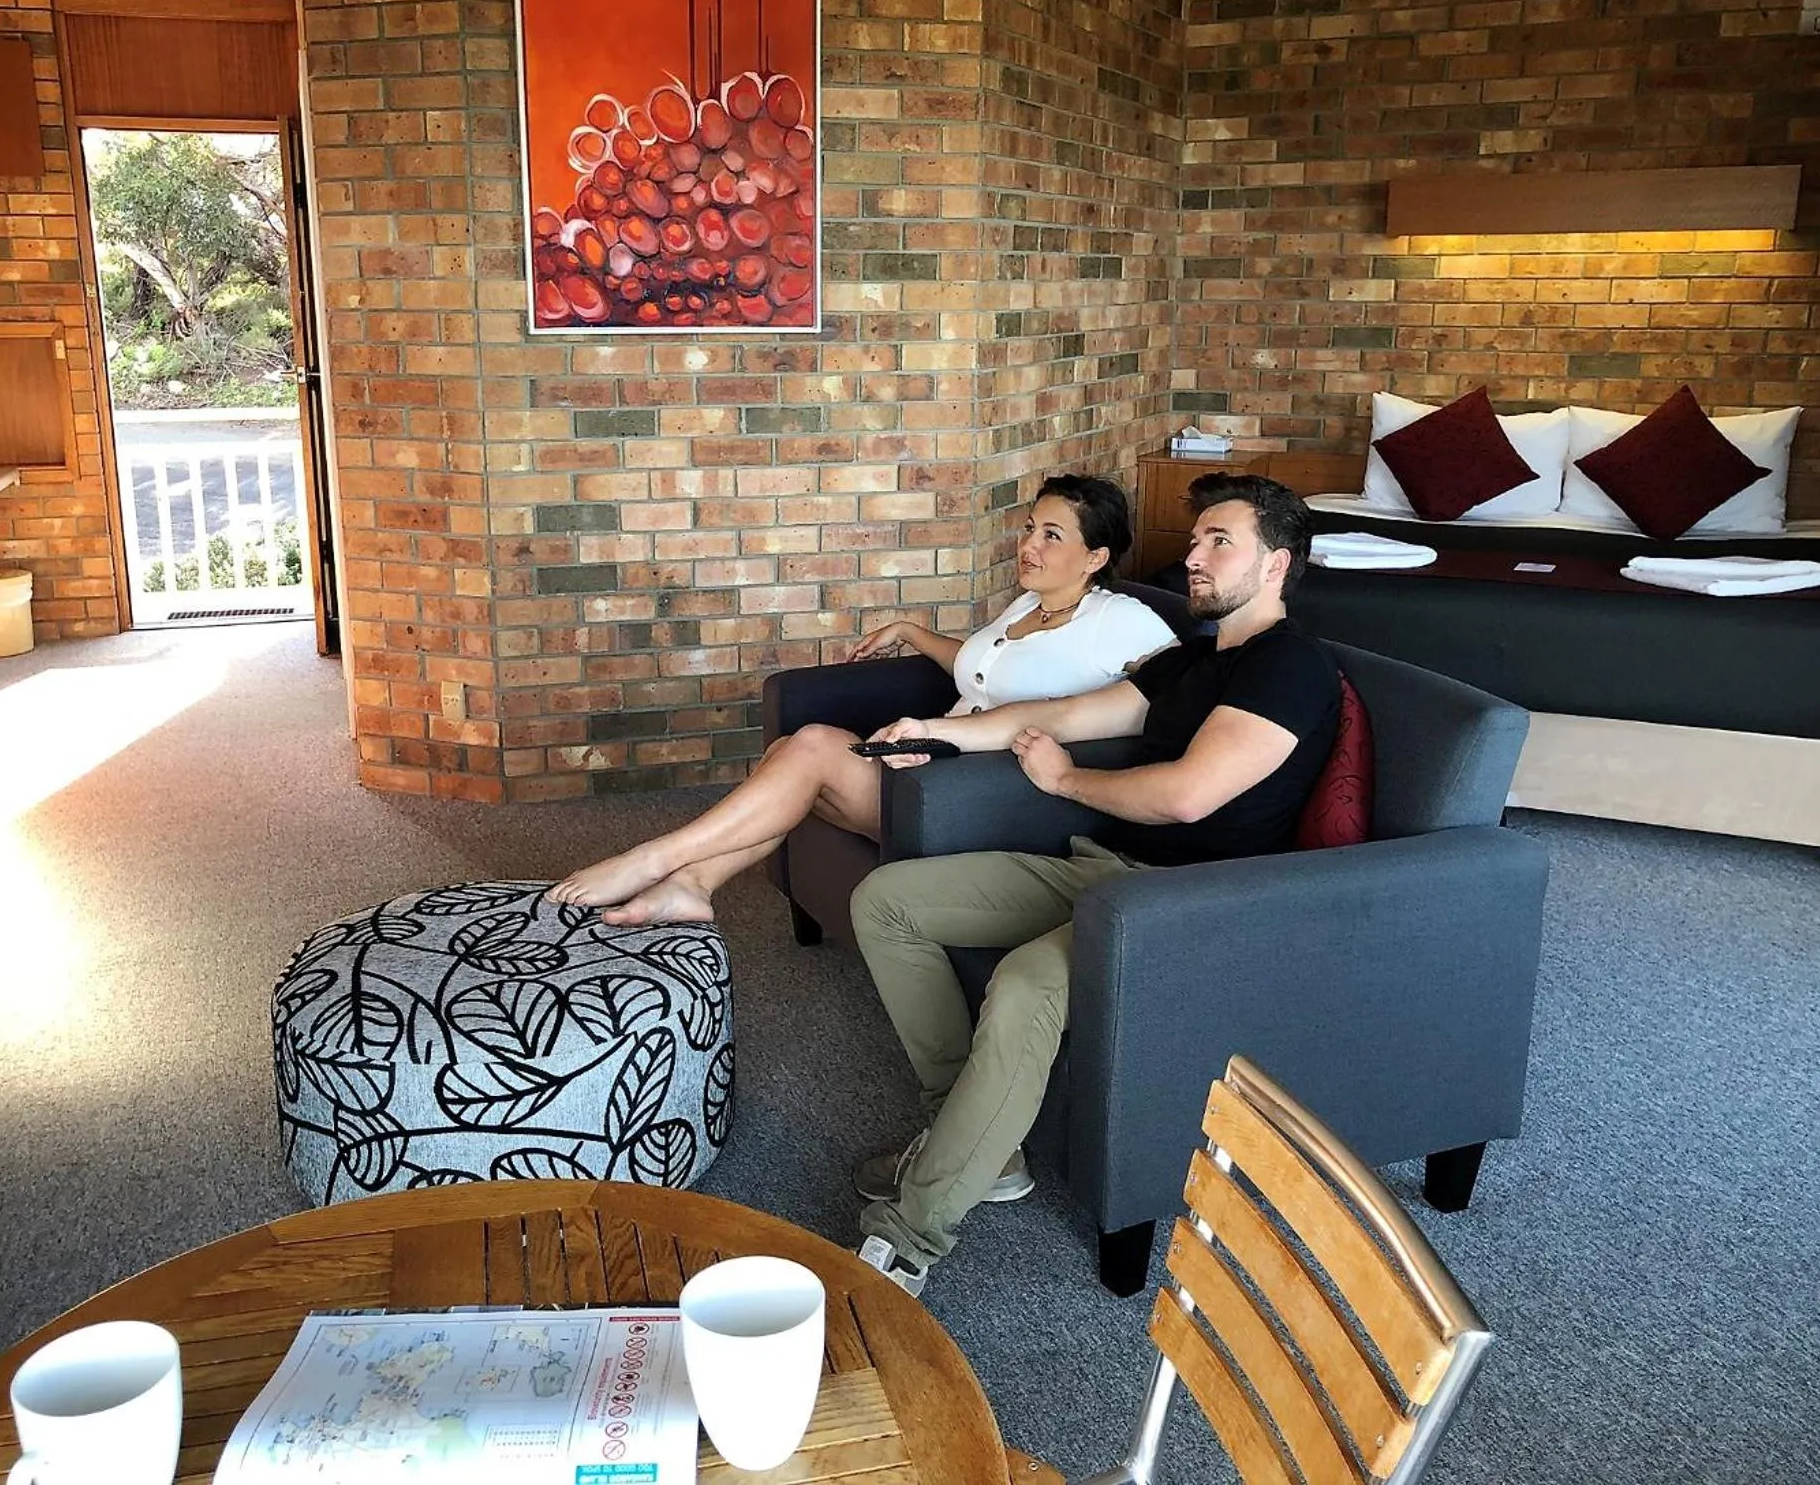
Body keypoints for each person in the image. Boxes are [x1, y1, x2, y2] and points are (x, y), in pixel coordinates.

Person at [844, 471, 1342, 1292]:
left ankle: (907, 1236)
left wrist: (1067, 784)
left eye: (1222, 543)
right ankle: (973, 1138)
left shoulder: (1290, 668)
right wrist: (929, 730)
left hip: (1189, 902)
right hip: (1107, 870)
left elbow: (1187, 796)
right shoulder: (1190, 660)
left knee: (1028, 984)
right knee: (888, 902)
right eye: (1195, 543)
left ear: (1278, 565)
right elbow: (1070, 718)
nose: (1196, 560)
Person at [546, 475, 1177, 926]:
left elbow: (1170, 697)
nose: (1029, 546)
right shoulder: (1028, 606)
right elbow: (980, 669)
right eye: (1030, 528)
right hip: (931, 761)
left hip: (982, 796)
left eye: (1051, 535)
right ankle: (692, 885)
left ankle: (653, 859)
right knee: (790, 754)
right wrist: (908, 630)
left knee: (813, 748)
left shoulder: (1122, 621)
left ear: (1096, 556)